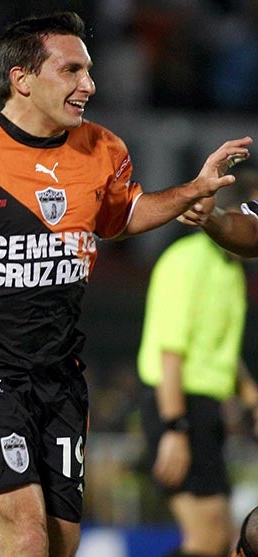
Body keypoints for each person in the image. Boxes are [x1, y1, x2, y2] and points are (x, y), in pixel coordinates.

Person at [0, 11, 251, 557]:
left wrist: (193, 190)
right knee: (24, 536)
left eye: (88, 71)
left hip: (58, 372)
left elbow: (124, 215)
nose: (89, 85)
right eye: (72, 71)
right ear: (23, 79)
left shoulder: (103, 149)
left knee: (57, 542)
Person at [138, 175, 258, 557]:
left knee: (220, 541)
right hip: (177, 405)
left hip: (204, 410)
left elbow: (218, 346)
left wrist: (251, 395)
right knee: (206, 541)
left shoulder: (232, 270)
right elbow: (169, 352)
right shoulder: (186, 261)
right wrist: (175, 429)